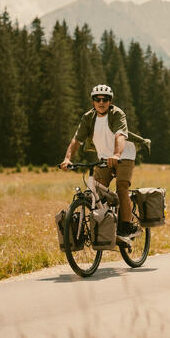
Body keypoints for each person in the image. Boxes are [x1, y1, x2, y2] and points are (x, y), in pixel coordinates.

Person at [60, 84, 143, 244]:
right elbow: (77, 140)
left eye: (105, 99)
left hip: (124, 155)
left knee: (122, 187)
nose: (101, 102)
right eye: (97, 99)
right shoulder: (88, 118)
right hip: (104, 158)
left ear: (110, 101)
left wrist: (117, 154)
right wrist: (67, 158)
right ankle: (106, 225)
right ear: (93, 101)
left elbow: (120, 135)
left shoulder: (117, 114)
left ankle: (126, 228)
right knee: (96, 191)